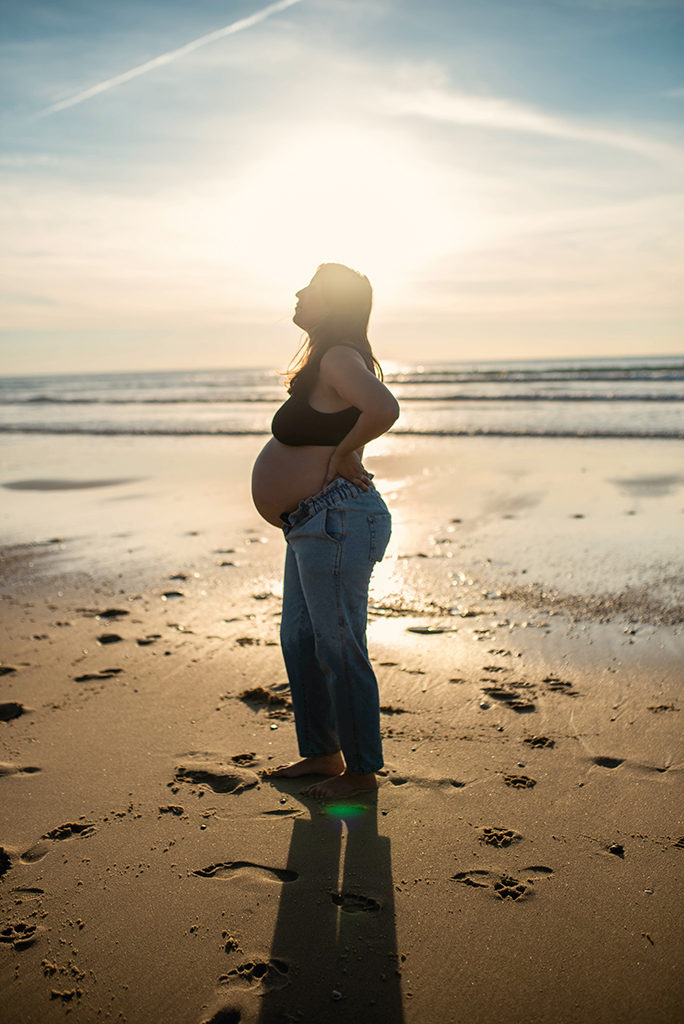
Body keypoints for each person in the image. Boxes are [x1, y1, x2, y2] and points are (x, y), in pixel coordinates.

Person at [251, 263, 400, 799]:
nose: (297, 292)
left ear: (332, 303)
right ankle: (322, 753)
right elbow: (353, 418)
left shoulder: (338, 355)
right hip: (311, 522)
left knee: (338, 646)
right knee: (301, 638)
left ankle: (360, 771)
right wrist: (344, 448)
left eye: (310, 289)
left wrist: (341, 455)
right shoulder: (327, 362)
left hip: (335, 518)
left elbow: (384, 407)